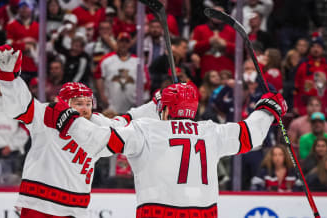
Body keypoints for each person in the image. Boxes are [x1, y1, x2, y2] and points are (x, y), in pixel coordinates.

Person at [48, 82, 287, 217]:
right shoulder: (211, 131)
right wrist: (267, 110)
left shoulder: (145, 130)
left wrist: (70, 121)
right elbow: (250, 133)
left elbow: (101, 141)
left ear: (166, 109)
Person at [0, 45, 159, 217]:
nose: (85, 108)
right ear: (63, 103)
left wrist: (157, 104)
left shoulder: (97, 124)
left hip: (75, 208)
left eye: (88, 103)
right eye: (78, 103)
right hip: (40, 204)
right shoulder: (47, 114)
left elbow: (127, 119)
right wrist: (10, 80)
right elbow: (19, 106)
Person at [95, 32, 147, 113]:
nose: (124, 44)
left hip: (132, 107)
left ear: (130, 44)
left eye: (126, 42)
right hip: (111, 106)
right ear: (117, 42)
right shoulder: (106, 60)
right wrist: (102, 95)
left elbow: (145, 81)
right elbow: (98, 77)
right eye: (121, 41)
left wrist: (142, 99)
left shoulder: (138, 62)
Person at [294, 35, 327, 117]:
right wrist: (295, 106)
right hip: (304, 109)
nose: (316, 49)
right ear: (310, 49)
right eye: (313, 46)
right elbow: (296, 88)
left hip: (323, 109)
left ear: (322, 49)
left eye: (318, 47)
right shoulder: (303, 66)